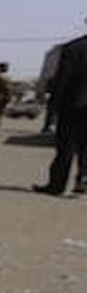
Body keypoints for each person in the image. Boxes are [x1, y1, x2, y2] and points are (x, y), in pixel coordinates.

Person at [34, 33, 87, 196]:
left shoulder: (73, 47)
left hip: (73, 104)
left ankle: (57, 185)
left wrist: (54, 105)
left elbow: (63, 77)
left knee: (66, 146)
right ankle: (83, 179)